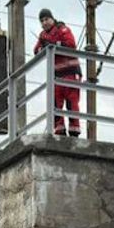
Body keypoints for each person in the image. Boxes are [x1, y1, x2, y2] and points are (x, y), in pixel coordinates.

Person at [34, 8, 82, 137]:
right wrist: (44, 47)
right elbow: (36, 50)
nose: (45, 23)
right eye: (42, 21)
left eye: (46, 19)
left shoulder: (62, 29)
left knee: (72, 101)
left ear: (52, 19)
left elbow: (71, 44)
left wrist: (54, 44)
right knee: (56, 103)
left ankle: (74, 130)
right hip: (57, 75)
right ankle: (59, 130)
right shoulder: (43, 35)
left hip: (70, 72)